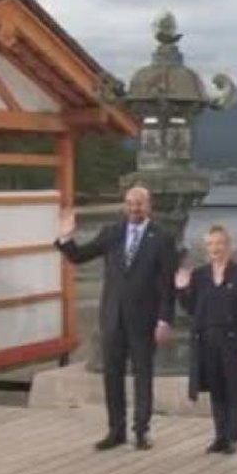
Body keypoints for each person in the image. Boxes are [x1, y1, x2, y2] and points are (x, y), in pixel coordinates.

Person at [54, 186, 175, 451]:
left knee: (143, 375)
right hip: (113, 317)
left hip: (145, 319)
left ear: (149, 206)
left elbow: (167, 284)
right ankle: (115, 431)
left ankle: (141, 431)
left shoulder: (162, 237)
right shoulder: (112, 233)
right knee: (112, 374)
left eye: (139, 204)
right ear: (124, 205)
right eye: (130, 203)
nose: (134, 208)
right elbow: (79, 256)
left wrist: (164, 320)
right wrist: (66, 237)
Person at [175, 225, 237, 455]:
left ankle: (233, 437)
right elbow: (191, 308)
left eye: (219, 243)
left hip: (233, 340)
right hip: (207, 340)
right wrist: (181, 289)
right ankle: (220, 436)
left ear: (228, 246)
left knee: (235, 391)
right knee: (216, 390)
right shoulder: (200, 275)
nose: (215, 248)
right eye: (211, 244)